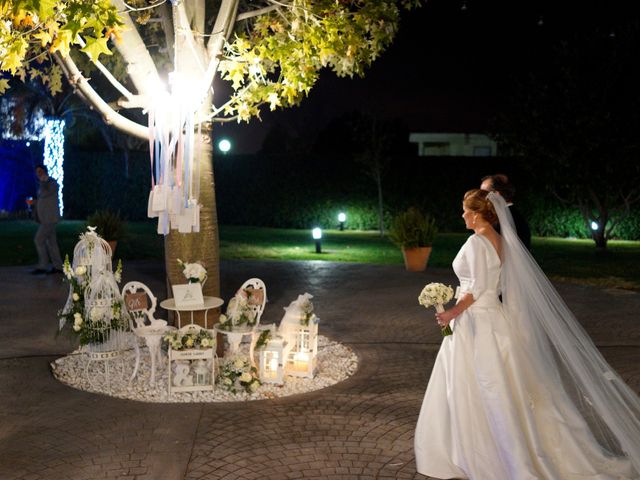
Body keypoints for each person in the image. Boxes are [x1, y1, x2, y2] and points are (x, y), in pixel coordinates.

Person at [414, 189, 640, 479]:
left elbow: (474, 291)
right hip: (495, 318)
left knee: (481, 386)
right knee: (505, 385)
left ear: (476, 213)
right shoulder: (499, 240)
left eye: (465, 210)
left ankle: (481, 456)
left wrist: (449, 313)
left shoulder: (474, 242)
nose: (462, 215)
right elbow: (489, 286)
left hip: (476, 323)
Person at [480, 173, 531, 249]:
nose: (481, 198)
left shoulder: (504, 218)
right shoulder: (513, 213)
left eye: (483, 193)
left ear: (496, 194)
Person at [31, 164, 63, 275]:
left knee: (38, 240)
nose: (38, 174)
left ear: (44, 171)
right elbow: (43, 197)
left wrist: (43, 182)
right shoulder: (42, 185)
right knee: (52, 243)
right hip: (45, 219)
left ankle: (43, 265)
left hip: (50, 219)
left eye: (40, 171)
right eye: (37, 172)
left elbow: (46, 192)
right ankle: (58, 266)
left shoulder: (51, 183)